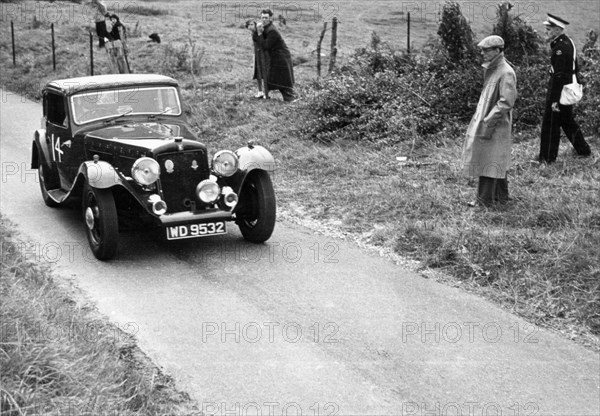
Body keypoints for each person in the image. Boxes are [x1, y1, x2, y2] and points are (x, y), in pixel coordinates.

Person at [462, 35, 517, 207]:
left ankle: (484, 201)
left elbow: (506, 101)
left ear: (498, 51)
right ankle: (501, 197)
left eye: (486, 50)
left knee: (488, 159)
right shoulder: (494, 69)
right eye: (482, 50)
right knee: (495, 158)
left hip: (495, 124)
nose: (482, 53)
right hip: (491, 122)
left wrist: (488, 120)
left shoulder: (506, 72)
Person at [538, 13, 591, 163]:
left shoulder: (560, 48)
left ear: (557, 30)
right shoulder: (568, 42)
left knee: (550, 123)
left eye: (548, 29)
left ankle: (547, 158)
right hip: (568, 88)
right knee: (567, 121)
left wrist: (554, 100)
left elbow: (559, 76)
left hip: (561, 90)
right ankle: (584, 150)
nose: (546, 32)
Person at [258, 9, 298, 102]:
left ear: (271, 18)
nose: (264, 20)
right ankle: (290, 99)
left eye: (266, 18)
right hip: (277, 56)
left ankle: (291, 99)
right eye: (262, 17)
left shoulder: (272, 30)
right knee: (278, 78)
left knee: (282, 79)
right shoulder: (266, 28)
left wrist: (259, 33)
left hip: (281, 57)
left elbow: (266, 46)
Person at [245, 19, 266, 98]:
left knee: (264, 72)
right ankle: (260, 91)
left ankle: (266, 92)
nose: (250, 27)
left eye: (252, 24)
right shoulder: (253, 33)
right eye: (248, 25)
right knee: (258, 73)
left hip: (263, 54)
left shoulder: (260, 31)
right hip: (257, 54)